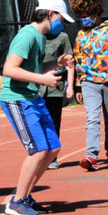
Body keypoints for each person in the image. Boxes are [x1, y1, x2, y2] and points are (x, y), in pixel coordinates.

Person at [0, 0, 74, 215]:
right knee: (38, 150)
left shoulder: (40, 37)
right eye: (61, 18)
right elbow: (9, 69)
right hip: (17, 98)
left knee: (53, 148)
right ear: (50, 14)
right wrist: (42, 80)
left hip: (32, 97)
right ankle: (16, 202)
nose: (63, 25)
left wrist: (56, 64)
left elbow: (34, 67)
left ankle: (25, 195)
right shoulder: (27, 35)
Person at [70, 0, 108, 171]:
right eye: (79, 17)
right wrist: (78, 85)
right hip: (89, 83)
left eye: (85, 16)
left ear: (95, 13)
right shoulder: (81, 35)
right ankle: (91, 156)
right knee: (92, 118)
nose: (83, 20)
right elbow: (78, 59)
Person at [39, 30, 75, 170]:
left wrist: (70, 86)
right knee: (38, 122)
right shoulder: (36, 35)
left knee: (54, 123)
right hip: (37, 87)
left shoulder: (63, 36)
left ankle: (52, 157)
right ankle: (39, 156)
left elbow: (70, 62)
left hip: (55, 88)